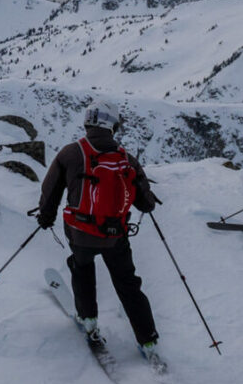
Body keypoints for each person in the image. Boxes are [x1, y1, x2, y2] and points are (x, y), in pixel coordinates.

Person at [37, 103, 161, 359]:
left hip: (80, 232)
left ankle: (89, 321)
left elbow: (50, 192)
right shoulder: (127, 159)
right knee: (128, 284)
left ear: (88, 124)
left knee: (82, 270)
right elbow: (145, 203)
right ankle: (148, 341)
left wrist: (46, 217)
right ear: (112, 126)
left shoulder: (71, 153)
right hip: (116, 235)